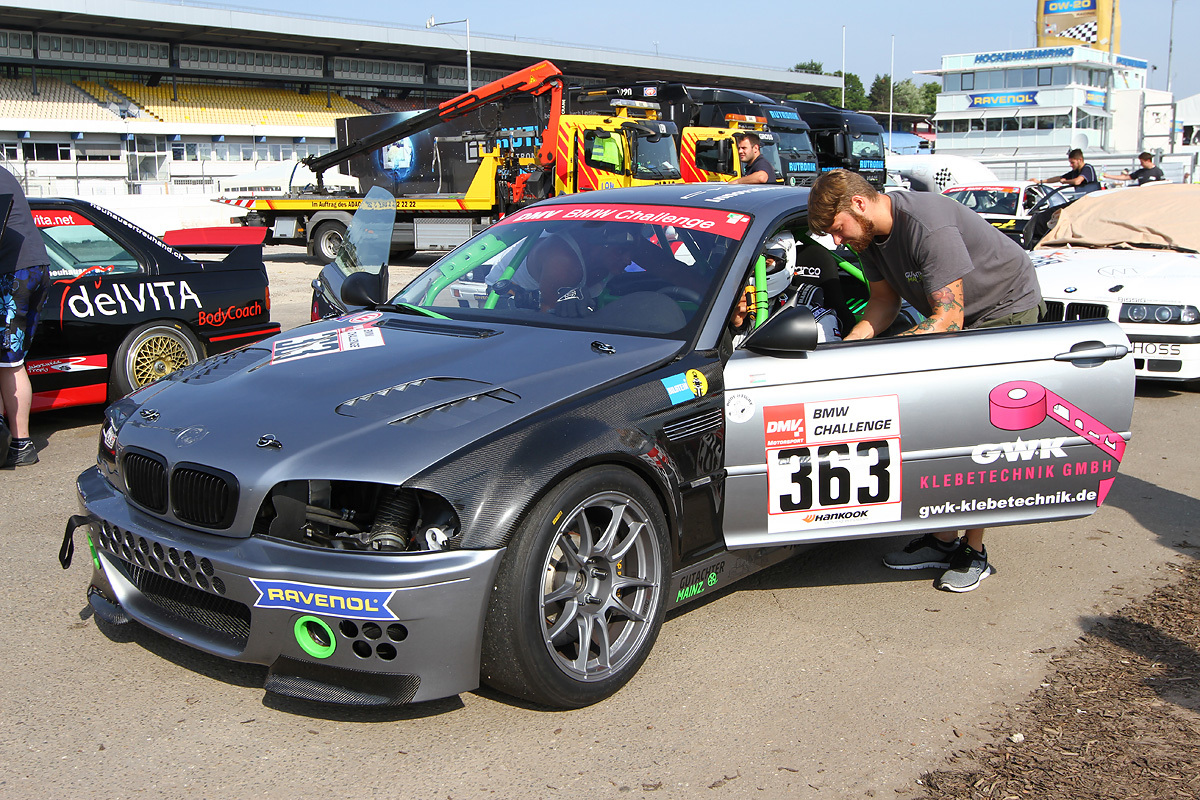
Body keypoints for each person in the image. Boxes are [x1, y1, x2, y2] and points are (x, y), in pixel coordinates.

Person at [807, 168, 1044, 593]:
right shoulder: (869, 237)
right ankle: (942, 539)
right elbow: (884, 301)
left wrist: (884, 353)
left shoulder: (927, 226)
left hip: (1004, 309)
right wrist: (851, 345)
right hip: (955, 318)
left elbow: (949, 318)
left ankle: (974, 552)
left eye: (837, 228)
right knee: (942, 426)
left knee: (978, 433)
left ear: (858, 204)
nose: (838, 241)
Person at [1, 167, 52, 468]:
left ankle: (20, 444)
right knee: (7, 359)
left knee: (9, 361)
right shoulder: (4, 173)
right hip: (34, 267)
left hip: (12, 271)